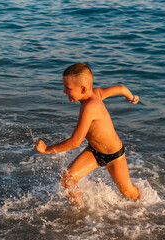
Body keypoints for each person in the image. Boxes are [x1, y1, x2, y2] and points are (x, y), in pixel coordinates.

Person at [35, 63, 140, 206]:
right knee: (67, 179)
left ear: (83, 89)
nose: (64, 91)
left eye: (68, 88)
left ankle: (145, 203)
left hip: (114, 155)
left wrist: (47, 149)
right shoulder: (95, 93)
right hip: (95, 150)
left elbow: (75, 142)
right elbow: (120, 88)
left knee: (127, 192)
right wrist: (131, 97)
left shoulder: (89, 107)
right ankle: (80, 212)